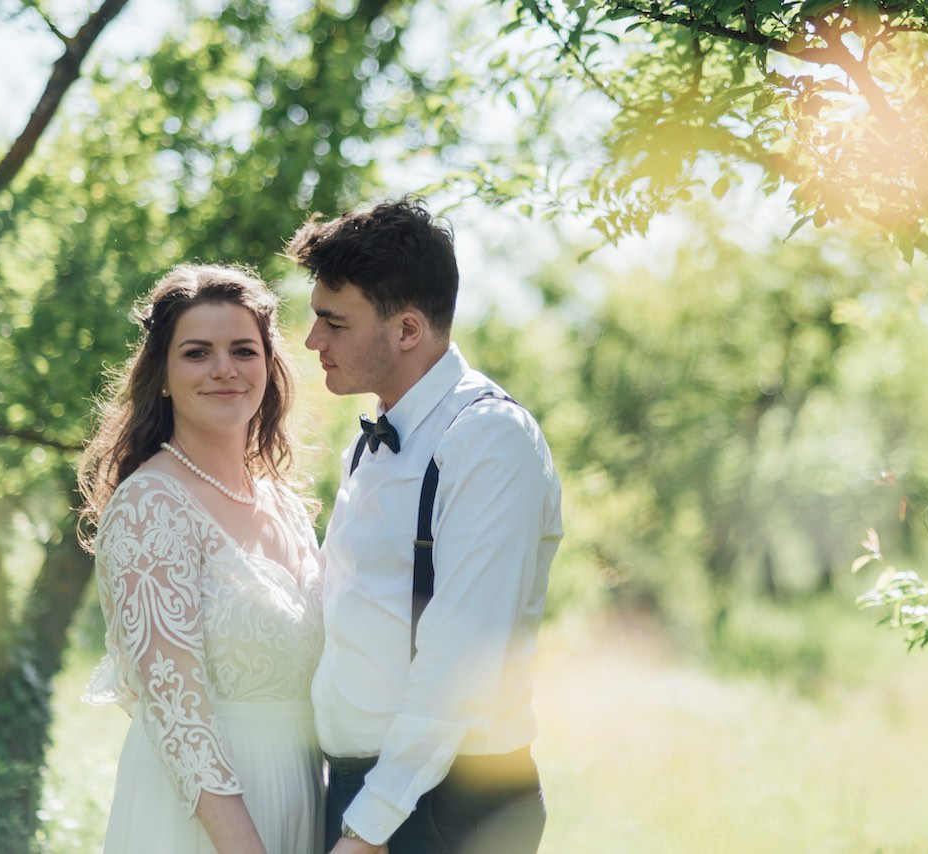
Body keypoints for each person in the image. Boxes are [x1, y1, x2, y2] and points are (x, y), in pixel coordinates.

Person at [288, 198, 564, 854]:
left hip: (441, 806)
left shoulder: (489, 440)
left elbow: (461, 656)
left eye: (332, 322)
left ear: (407, 330)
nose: (312, 342)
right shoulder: (376, 438)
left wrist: (371, 827)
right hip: (365, 791)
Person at [77, 263, 324, 854]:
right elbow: (176, 718)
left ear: (268, 367)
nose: (223, 370)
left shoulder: (285, 505)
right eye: (196, 353)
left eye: (244, 350)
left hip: (303, 798)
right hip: (203, 821)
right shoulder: (151, 507)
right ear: (161, 375)